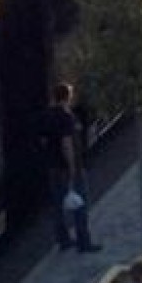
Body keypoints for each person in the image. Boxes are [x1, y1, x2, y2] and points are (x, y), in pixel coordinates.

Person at [39, 82, 101, 253]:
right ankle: (84, 241)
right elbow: (67, 144)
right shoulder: (66, 117)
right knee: (79, 204)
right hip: (68, 168)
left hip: (53, 167)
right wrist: (72, 167)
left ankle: (63, 240)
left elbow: (43, 140)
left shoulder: (46, 116)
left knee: (58, 205)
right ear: (68, 96)